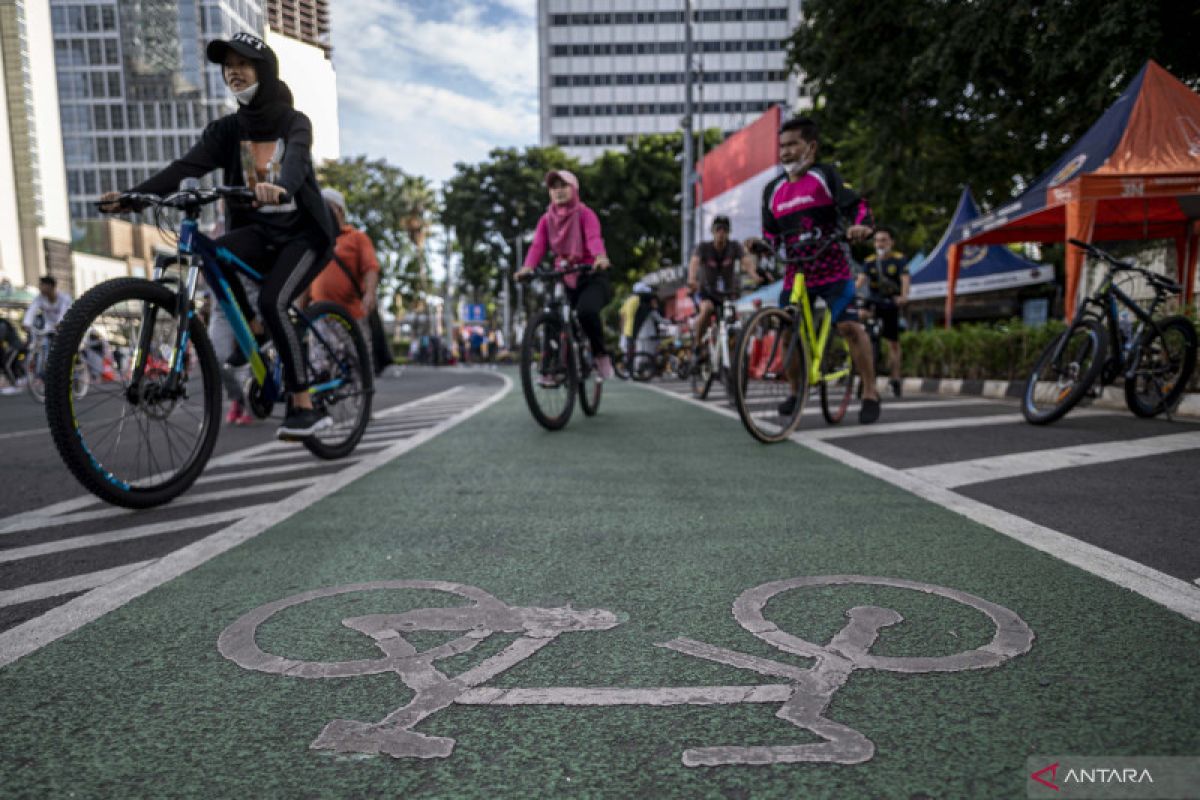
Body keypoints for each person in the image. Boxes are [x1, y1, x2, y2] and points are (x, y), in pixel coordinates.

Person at [99, 32, 336, 440]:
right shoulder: (226, 130)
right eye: (228, 67)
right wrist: (135, 198)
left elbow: (296, 159)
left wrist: (281, 185)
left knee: (274, 301)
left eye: (243, 65)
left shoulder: (293, 121)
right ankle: (255, 333)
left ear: (263, 70)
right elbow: (185, 166)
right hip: (259, 233)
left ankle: (303, 405)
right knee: (212, 255)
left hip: (303, 237)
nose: (234, 73)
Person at [744, 116, 881, 424]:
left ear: (812, 147)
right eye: (782, 146)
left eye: (793, 145)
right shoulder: (772, 190)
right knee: (787, 327)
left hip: (833, 267)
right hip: (796, 273)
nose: (786, 152)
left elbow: (857, 205)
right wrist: (760, 244)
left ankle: (870, 391)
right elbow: (771, 234)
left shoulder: (826, 176)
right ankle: (795, 391)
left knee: (848, 328)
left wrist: (862, 226)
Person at [515, 170, 614, 379]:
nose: (558, 191)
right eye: (554, 187)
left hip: (591, 274)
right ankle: (550, 367)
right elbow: (537, 246)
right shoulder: (546, 220)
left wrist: (599, 257)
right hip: (565, 276)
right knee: (551, 314)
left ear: (574, 188)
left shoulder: (585, 214)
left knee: (586, 312)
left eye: (563, 185)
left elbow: (594, 238)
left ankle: (600, 354)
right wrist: (527, 268)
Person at [307, 187, 381, 367]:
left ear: (338, 210)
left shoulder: (356, 238)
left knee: (357, 364)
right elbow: (307, 279)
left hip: (350, 315)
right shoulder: (316, 241)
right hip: (320, 317)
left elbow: (371, 267)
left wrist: (370, 293)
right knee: (320, 366)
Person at [686, 215, 755, 367]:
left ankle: (732, 363)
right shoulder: (704, 247)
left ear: (729, 231)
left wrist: (754, 275)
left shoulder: (734, 246)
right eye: (718, 229)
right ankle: (697, 345)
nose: (721, 233)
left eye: (724, 229)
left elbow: (746, 260)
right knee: (707, 309)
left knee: (734, 323)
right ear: (713, 231)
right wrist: (692, 279)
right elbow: (694, 262)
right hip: (706, 293)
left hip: (726, 296)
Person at [856, 226, 910, 397]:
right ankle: (864, 379)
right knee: (861, 330)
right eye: (877, 240)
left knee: (893, 343)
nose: (880, 244)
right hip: (872, 303)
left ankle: (895, 378)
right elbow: (860, 282)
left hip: (890, 303)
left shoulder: (899, 260)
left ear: (891, 242)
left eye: (884, 240)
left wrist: (903, 296)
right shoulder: (869, 261)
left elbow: (905, 280)